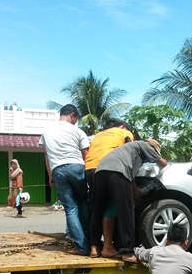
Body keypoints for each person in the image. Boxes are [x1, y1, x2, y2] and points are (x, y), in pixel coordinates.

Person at [91, 138, 167, 262]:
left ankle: (98, 247)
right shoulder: (145, 145)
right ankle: (127, 252)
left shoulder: (128, 150)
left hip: (100, 172)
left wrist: (135, 190)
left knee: (100, 210)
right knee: (126, 212)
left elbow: (130, 177)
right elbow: (162, 163)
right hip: (117, 173)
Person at [39, 104, 91, 255]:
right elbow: (86, 155)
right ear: (72, 115)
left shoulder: (46, 131)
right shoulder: (78, 131)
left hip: (58, 170)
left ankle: (82, 247)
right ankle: (89, 241)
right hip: (77, 167)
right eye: (76, 119)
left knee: (70, 209)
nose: (75, 122)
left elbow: (47, 156)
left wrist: (50, 176)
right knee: (83, 203)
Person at [83, 120, 134, 258]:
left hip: (90, 169)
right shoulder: (124, 132)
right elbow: (130, 153)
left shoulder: (97, 136)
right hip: (112, 168)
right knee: (124, 208)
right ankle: (126, 251)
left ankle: (94, 247)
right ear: (123, 126)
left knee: (96, 208)